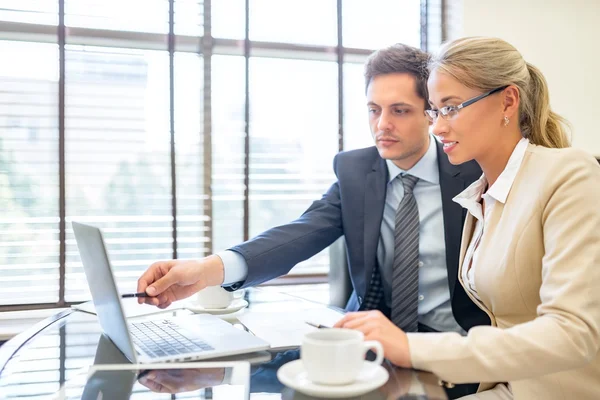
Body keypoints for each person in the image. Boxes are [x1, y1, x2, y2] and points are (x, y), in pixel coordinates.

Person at [138, 43, 490, 398]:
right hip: (367, 350)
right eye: (373, 110)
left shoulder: (473, 170)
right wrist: (203, 271)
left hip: (456, 352)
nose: (382, 124)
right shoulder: (356, 170)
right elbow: (300, 235)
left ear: (432, 113)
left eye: (399, 110)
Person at [335, 36, 600, 399]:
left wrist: (411, 347)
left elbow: (573, 333)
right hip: (499, 386)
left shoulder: (570, 173)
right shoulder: (481, 194)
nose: (437, 127)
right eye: (435, 110)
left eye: (452, 107)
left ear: (508, 100)